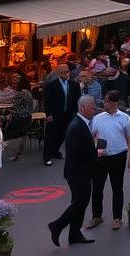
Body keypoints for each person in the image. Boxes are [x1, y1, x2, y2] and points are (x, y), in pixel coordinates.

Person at [47, 95, 98, 247]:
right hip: (78, 172)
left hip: (81, 171)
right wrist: (96, 153)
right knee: (80, 202)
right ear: (82, 108)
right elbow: (76, 151)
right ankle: (57, 225)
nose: (94, 109)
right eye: (92, 107)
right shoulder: (77, 126)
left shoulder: (82, 123)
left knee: (80, 202)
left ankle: (74, 234)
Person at [87, 90, 130, 231]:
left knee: (117, 187)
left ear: (114, 102)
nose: (104, 103)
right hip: (101, 157)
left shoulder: (124, 118)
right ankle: (97, 216)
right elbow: (91, 135)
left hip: (118, 156)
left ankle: (117, 218)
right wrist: (94, 151)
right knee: (97, 187)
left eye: (107, 101)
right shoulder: (98, 118)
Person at [43, 63, 81, 166]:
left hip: (68, 113)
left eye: (67, 71)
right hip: (55, 114)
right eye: (64, 72)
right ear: (59, 73)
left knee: (62, 134)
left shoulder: (74, 85)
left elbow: (78, 99)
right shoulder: (51, 85)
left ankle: (55, 151)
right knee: (51, 134)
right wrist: (49, 114)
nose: (66, 74)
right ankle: (47, 156)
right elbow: (47, 101)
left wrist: (77, 113)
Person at [3, 82, 36, 162]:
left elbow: (14, 106)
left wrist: (8, 111)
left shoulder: (18, 95)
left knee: (11, 134)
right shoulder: (27, 92)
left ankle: (15, 153)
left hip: (19, 117)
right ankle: (19, 152)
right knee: (23, 134)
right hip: (28, 117)